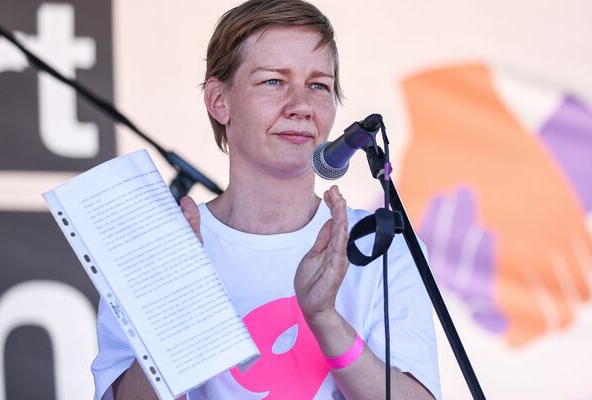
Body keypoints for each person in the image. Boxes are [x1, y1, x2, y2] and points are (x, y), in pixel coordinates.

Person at [90, 0, 441, 398]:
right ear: (218, 100)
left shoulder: (382, 247)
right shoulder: (158, 248)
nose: (301, 106)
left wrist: (325, 319)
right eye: (274, 81)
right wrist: (180, 297)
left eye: (319, 85)